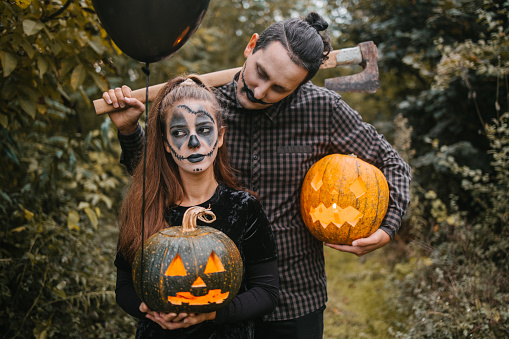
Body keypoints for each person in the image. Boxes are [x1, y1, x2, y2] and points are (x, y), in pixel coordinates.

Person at [105, 12, 411, 339]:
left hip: (294, 298)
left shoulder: (324, 110)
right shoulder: (206, 109)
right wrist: (128, 131)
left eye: (278, 88)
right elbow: (158, 174)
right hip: (216, 294)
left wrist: (388, 228)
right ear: (252, 47)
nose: (260, 91)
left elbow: (394, 165)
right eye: (259, 73)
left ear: (300, 86)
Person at [114, 76, 279, 339]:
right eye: (179, 133)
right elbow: (124, 287)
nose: (193, 142)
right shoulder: (146, 205)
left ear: (220, 136)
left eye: (203, 130)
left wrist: (212, 314)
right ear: (167, 145)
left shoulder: (244, 207)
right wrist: (148, 308)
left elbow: (267, 292)